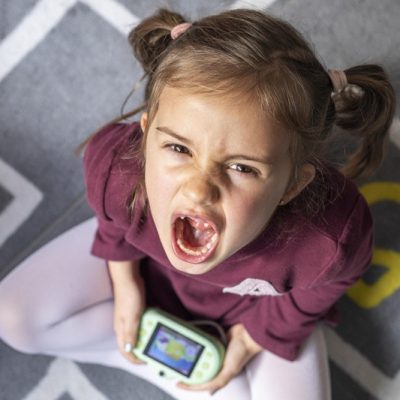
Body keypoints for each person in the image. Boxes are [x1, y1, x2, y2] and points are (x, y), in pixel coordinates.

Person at [0, 8, 396, 400]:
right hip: (147, 267)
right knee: (12, 318)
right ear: (145, 137)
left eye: (241, 167)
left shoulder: (328, 239)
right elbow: (112, 219)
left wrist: (260, 336)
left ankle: (177, 365)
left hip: (255, 309)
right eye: (177, 147)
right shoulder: (118, 172)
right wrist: (125, 284)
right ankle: (143, 360)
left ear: (292, 184)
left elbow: (336, 279)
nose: (199, 190)